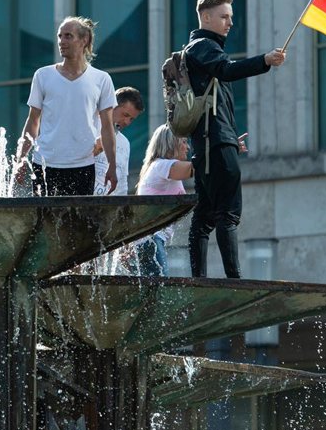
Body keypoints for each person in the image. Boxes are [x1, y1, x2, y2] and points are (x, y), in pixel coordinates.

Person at [184, 0, 286, 278]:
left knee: (205, 217)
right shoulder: (203, 46)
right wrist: (265, 60)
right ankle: (234, 280)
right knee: (227, 213)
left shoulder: (200, 49)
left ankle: (199, 280)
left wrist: (229, 136)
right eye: (224, 17)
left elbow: (216, 101)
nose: (230, 22)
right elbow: (227, 71)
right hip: (215, 142)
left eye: (230, 17)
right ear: (206, 17)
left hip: (211, 142)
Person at [14, 17, 117, 196]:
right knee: (44, 214)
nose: (62, 41)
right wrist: (21, 159)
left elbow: (107, 127)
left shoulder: (102, 79)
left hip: (83, 165)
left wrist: (112, 165)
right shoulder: (42, 75)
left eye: (68, 36)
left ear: (84, 40)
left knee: (79, 215)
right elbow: (32, 121)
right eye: (60, 36)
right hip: (44, 163)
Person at [135, 124, 194, 277]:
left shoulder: (160, 168)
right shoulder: (161, 166)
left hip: (150, 240)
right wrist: (225, 151)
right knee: (159, 288)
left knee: (155, 288)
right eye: (184, 142)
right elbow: (196, 168)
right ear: (170, 144)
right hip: (151, 240)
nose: (187, 147)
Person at [92, 86, 145, 195]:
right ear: (112, 105)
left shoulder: (125, 143)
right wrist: (93, 150)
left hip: (109, 204)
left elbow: (122, 184)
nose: (127, 122)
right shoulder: (88, 127)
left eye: (131, 119)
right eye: (125, 115)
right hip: (79, 201)